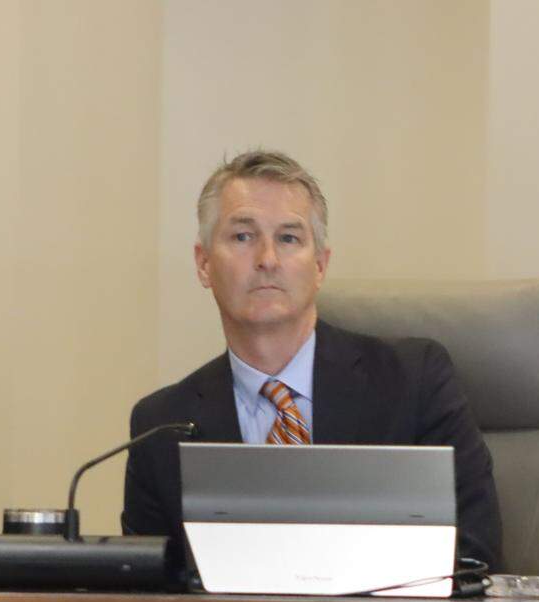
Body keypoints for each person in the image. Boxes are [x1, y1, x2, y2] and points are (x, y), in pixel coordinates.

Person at [122, 150, 502, 570]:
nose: (267, 259)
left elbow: (474, 555)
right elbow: (148, 593)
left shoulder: (413, 382)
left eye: (289, 238)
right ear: (204, 264)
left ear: (320, 266)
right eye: (243, 237)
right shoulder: (159, 427)